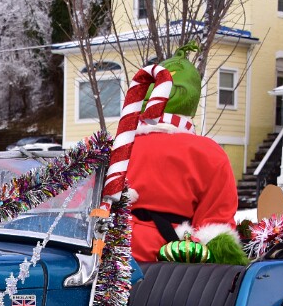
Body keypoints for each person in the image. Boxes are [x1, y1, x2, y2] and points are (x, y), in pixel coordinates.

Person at [102, 43, 239, 262]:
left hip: (107, 256)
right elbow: (214, 228)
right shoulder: (210, 154)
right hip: (169, 270)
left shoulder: (116, 148)